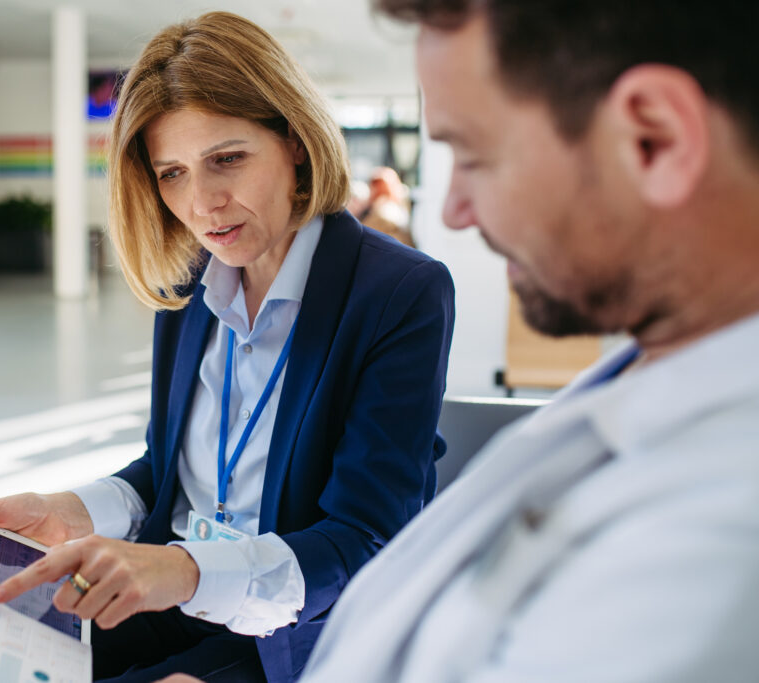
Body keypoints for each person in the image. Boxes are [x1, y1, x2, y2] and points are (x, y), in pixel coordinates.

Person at [0, 10, 455, 683]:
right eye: (171, 173)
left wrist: (182, 570)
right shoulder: (188, 282)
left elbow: (362, 541)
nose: (203, 204)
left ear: (294, 140)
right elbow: (168, 471)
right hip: (173, 590)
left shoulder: (398, 292)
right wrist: (70, 510)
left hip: (293, 625)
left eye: (226, 159)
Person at [155, 0, 759, 681]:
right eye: (171, 172)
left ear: (656, 138)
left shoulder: (718, 539)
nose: (453, 211)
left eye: (475, 155)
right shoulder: (646, 384)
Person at [354, 167, 415, 247]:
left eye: (377, 186)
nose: (373, 189)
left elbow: (365, 233)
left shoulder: (386, 211)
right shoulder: (394, 208)